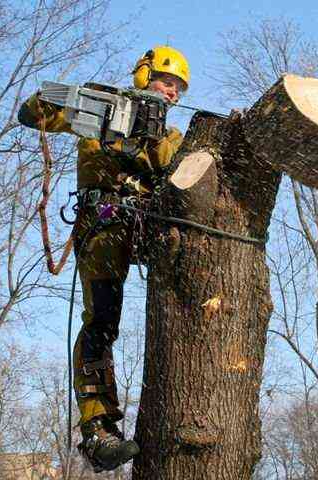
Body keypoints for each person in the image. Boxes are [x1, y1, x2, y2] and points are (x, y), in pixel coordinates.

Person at [18, 45, 190, 472]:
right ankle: (98, 430)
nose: (172, 92)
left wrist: (147, 147)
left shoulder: (170, 137)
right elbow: (32, 114)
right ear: (143, 75)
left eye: (179, 88)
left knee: (190, 302)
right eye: (167, 81)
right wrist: (74, 100)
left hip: (151, 228)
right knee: (101, 320)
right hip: (106, 223)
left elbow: (180, 173)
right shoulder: (101, 114)